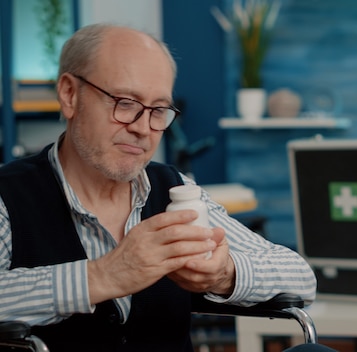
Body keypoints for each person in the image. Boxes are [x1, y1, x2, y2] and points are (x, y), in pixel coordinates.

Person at [0, 23, 326, 352]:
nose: (144, 128)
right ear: (70, 94)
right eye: (126, 103)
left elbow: (301, 277)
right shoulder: (8, 196)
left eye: (158, 110)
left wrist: (224, 274)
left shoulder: (174, 190)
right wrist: (103, 276)